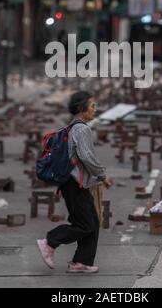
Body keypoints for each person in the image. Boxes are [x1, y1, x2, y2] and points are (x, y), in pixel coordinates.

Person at [37, 91, 113, 274]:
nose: (95, 110)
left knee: (91, 222)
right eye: (92, 106)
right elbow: (86, 156)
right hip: (74, 183)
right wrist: (103, 175)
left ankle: (81, 262)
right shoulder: (82, 129)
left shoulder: (73, 127)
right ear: (81, 108)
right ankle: (50, 242)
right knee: (86, 224)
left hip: (75, 183)